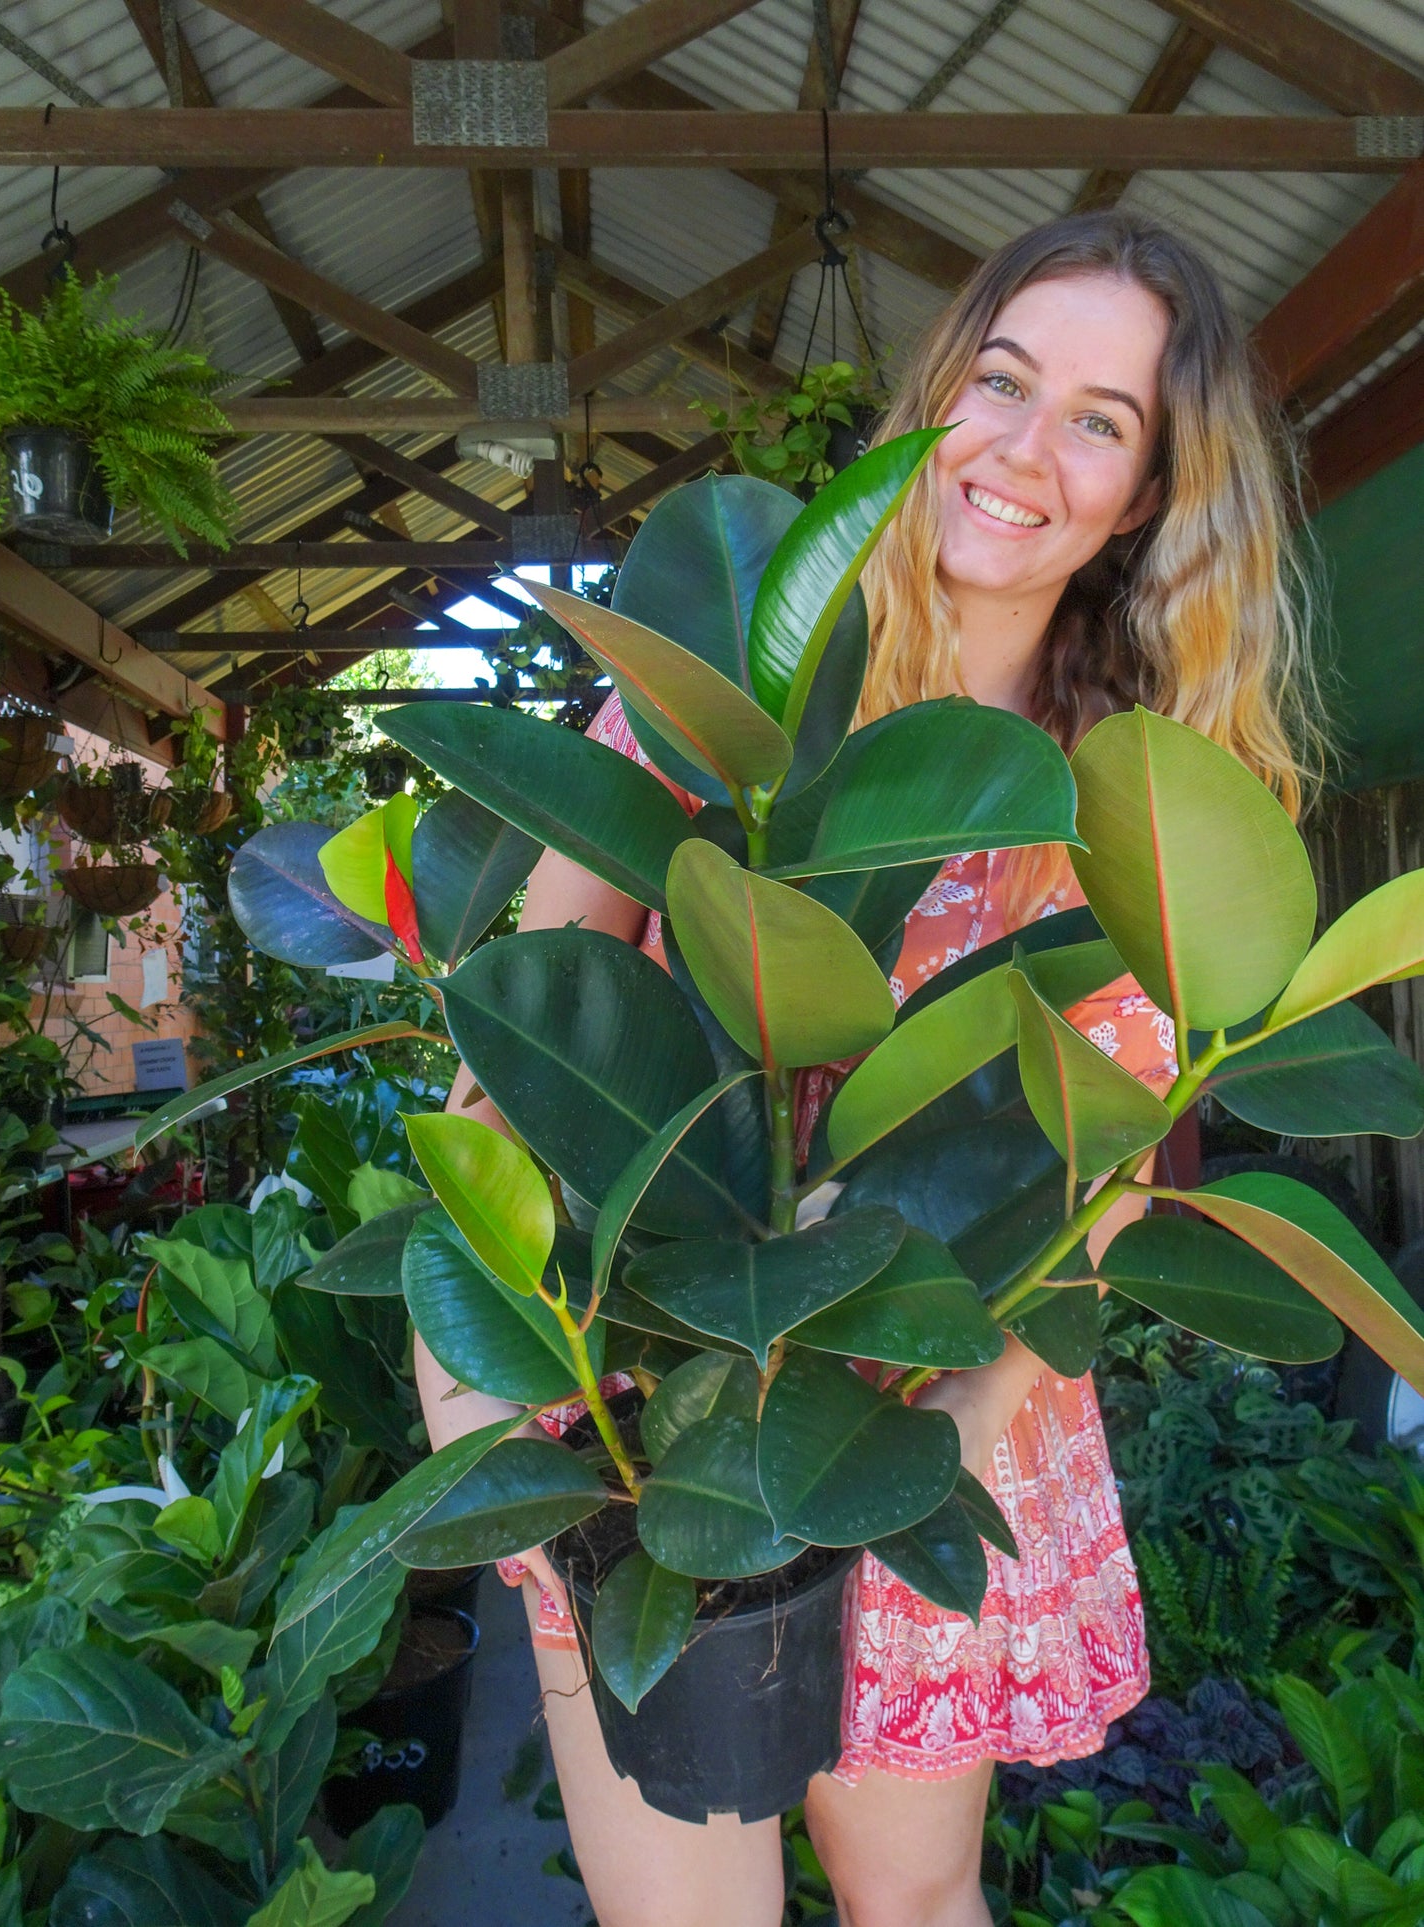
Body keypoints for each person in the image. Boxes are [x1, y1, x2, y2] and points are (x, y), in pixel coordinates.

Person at [416, 209, 1323, 1927]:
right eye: (1002, 381)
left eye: (1099, 420)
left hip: (930, 1412)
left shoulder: (1138, 799)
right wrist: (487, 1398)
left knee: (912, 1906)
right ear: (936, 395)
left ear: (1142, 501)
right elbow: (518, 1046)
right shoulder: (727, 694)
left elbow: (1106, 1183)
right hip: (647, 1418)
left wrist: (956, 1434)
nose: (1021, 450)